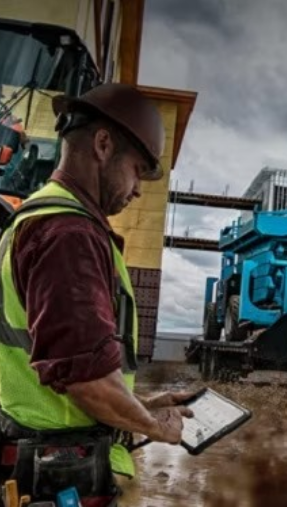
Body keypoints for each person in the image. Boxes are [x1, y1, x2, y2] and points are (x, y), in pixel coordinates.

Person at [0, 83, 194, 505]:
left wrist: (141, 402)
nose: (139, 188)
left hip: (43, 459)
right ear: (103, 144)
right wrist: (155, 425)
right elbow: (85, 380)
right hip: (67, 472)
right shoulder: (68, 234)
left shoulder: (35, 218)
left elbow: (65, 368)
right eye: (138, 170)